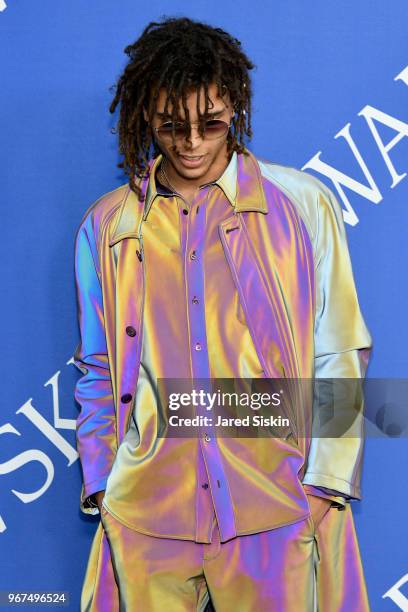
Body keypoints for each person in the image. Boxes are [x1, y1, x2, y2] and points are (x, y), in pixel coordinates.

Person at [73, 16, 373, 612]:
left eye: (209, 123)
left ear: (235, 105)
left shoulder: (302, 205)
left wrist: (323, 486)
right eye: (169, 126)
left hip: (277, 506)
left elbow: (339, 347)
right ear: (144, 119)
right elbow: (99, 365)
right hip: (147, 514)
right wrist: (104, 485)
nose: (190, 143)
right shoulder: (106, 226)